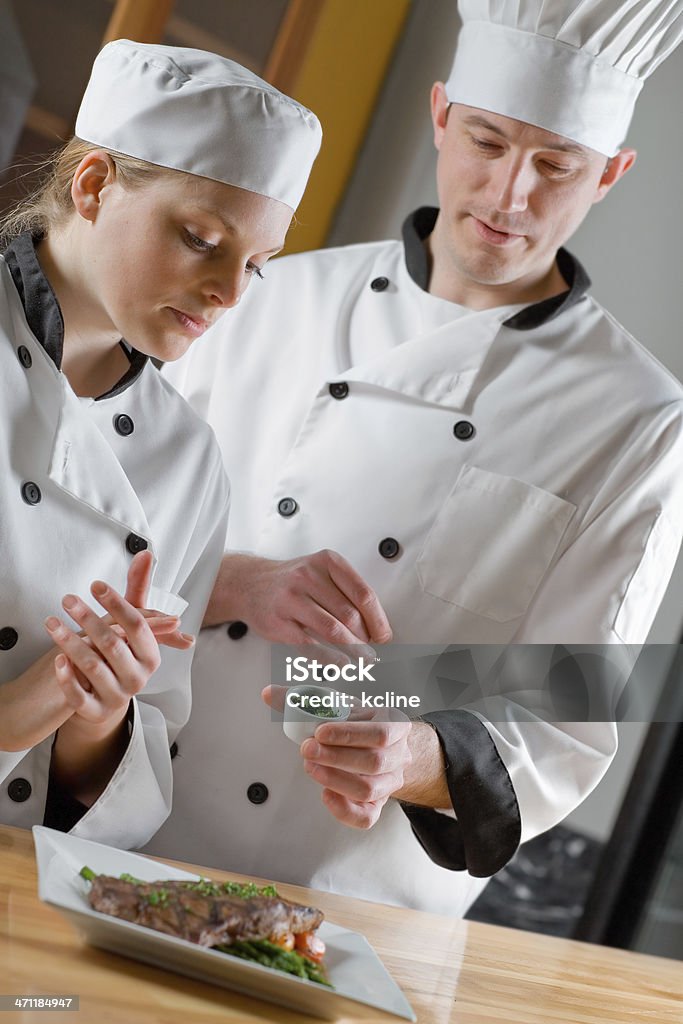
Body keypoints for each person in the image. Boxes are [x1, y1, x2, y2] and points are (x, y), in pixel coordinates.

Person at [149, 1, 683, 914]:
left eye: (555, 165)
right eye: (485, 140)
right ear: (439, 114)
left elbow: (574, 701)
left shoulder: (639, 416)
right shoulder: (264, 297)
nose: (509, 195)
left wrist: (418, 754)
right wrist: (232, 586)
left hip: (348, 899)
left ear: (611, 175)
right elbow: (91, 533)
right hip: (128, 821)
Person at [0, 39, 321, 848]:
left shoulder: (186, 460)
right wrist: (18, 713)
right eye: (202, 238)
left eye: (257, 264)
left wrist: (96, 713)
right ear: (96, 184)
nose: (228, 292)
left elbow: (127, 794)